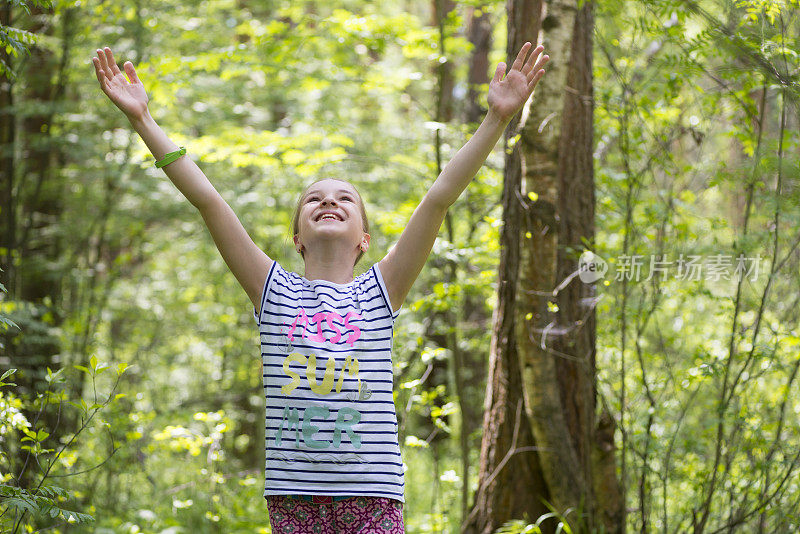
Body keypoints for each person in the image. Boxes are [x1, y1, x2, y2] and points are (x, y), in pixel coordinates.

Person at [92, 40, 547, 534]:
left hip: (372, 492)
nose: (328, 202)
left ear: (364, 239)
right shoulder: (272, 290)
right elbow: (208, 201)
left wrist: (496, 121)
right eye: (314, 198)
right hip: (294, 496)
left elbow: (438, 200)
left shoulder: (380, 291)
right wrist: (144, 122)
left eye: (345, 199)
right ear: (297, 238)